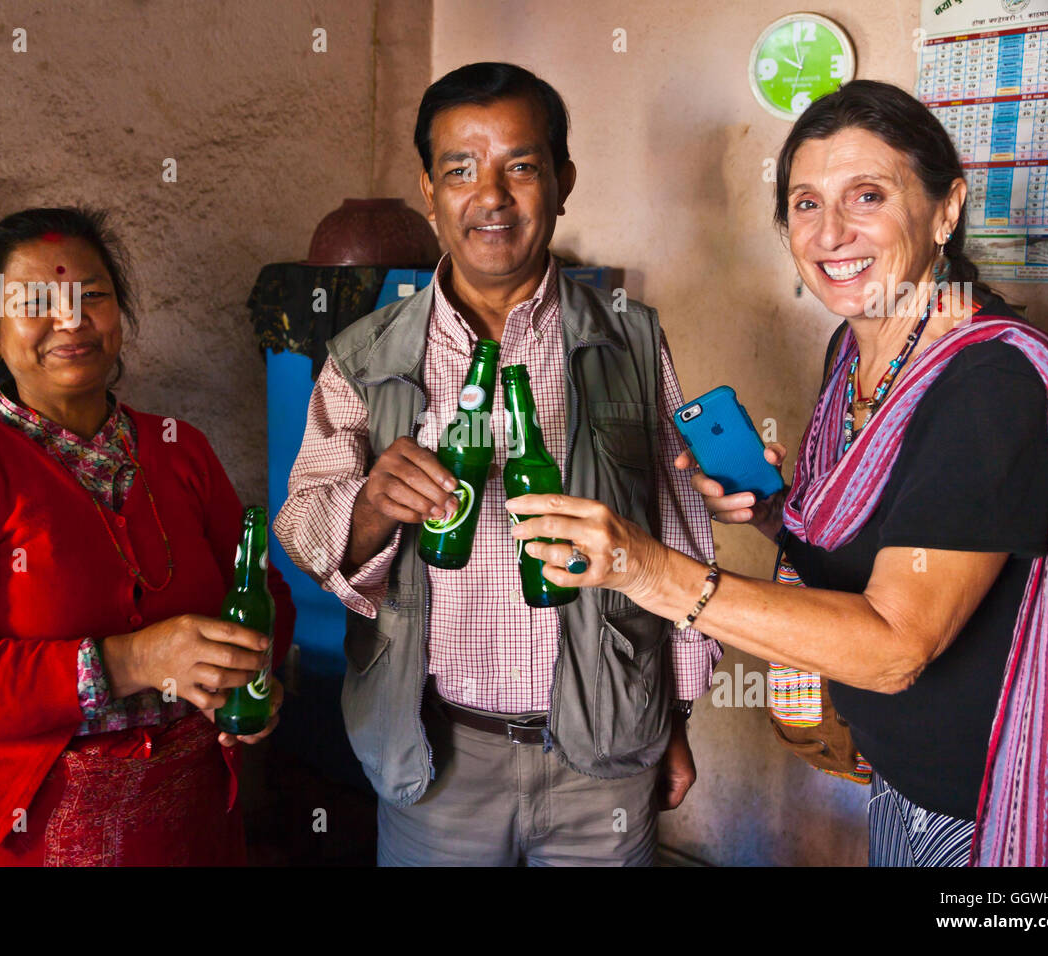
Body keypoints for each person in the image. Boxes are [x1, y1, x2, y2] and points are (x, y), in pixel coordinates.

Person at [506, 80, 1048, 867]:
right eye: (804, 203)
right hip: (904, 782)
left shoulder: (989, 386)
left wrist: (648, 570)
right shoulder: (857, 351)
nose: (832, 233)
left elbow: (898, 645)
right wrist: (773, 514)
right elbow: (888, 545)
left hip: (995, 805)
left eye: (868, 195)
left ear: (945, 208)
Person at [274, 62, 719, 866]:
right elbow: (303, 525)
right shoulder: (367, 356)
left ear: (562, 181)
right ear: (429, 191)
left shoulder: (630, 341)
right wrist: (372, 506)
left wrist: (675, 719)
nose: (492, 196)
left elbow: (681, 535)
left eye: (520, 165)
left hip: (603, 753)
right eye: (461, 169)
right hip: (435, 755)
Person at [0, 206, 296, 866]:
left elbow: (263, 593)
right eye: (35, 301)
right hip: (23, 838)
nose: (70, 320)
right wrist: (135, 659)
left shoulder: (179, 450)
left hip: (189, 827)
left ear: (120, 316)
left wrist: (251, 679)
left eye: (92, 296)